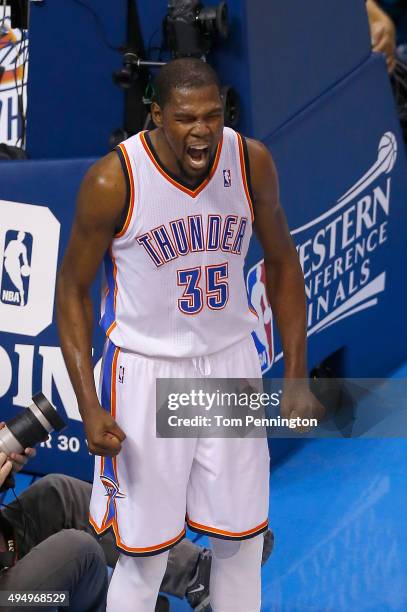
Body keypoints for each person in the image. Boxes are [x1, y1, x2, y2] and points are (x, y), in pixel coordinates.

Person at [57, 58, 323, 611]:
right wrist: (89, 403)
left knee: (242, 543)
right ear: (155, 115)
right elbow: (71, 293)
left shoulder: (250, 162)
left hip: (229, 364)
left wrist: (296, 372)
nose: (202, 129)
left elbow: (281, 262)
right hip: (146, 372)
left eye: (213, 114)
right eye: (185, 117)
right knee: (145, 555)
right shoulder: (114, 180)